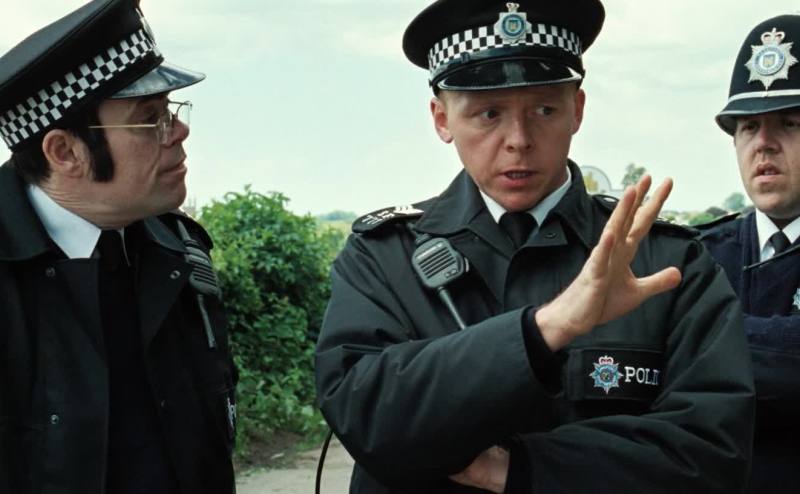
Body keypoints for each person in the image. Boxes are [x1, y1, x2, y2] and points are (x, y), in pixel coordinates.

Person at [315, 1, 756, 492]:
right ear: (442, 120)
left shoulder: (667, 263)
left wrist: (523, 469)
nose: (518, 140)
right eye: (488, 114)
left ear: (577, 110)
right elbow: (367, 417)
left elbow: (712, 453)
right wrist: (547, 327)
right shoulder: (384, 257)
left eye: (544, 110)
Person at [0, 1, 237, 493]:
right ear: (65, 152)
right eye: (150, 118)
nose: (179, 132)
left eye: (170, 111)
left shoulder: (178, 249)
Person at [699, 13, 800, 493]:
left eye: (790, 123)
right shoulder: (700, 255)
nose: (763, 144)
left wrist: (687, 332)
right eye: (748, 126)